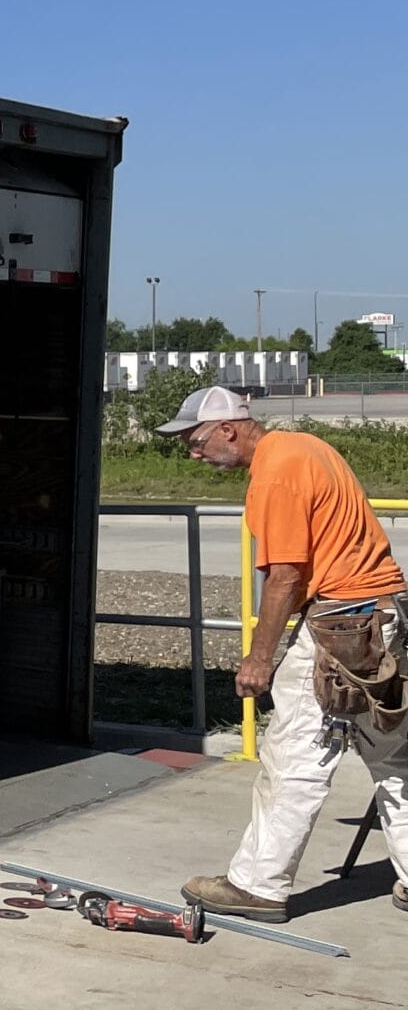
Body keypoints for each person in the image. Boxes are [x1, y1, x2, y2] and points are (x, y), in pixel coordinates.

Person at [162, 386, 408, 922]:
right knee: (392, 755)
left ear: (229, 427)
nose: (194, 453)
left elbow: (287, 575)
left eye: (197, 440)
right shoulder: (305, 447)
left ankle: (258, 885)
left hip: (341, 623)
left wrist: (259, 657)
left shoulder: (275, 472)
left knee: (295, 753)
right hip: (381, 615)